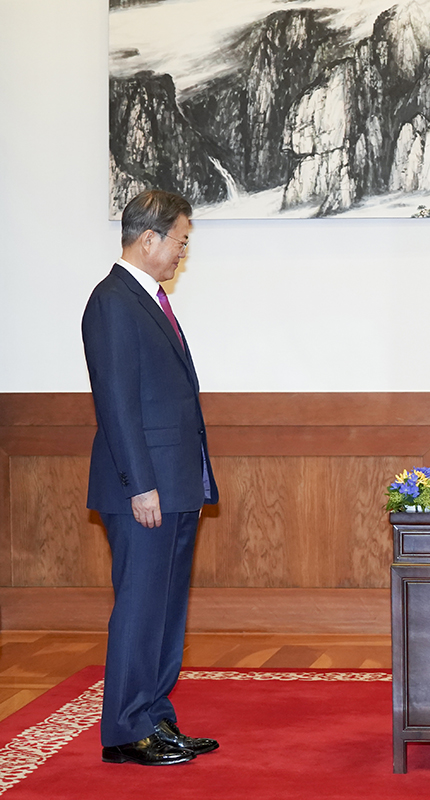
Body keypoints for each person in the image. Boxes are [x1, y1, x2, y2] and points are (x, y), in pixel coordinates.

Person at [82, 190, 220, 766]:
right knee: (141, 609)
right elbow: (116, 405)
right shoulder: (113, 302)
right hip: (144, 490)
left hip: (175, 484)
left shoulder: (147, 300)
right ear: (149, 238)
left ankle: (156, 720)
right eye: (180, 241)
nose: (183, 252)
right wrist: (141, 485)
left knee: (165, 612)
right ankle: (126, 731)